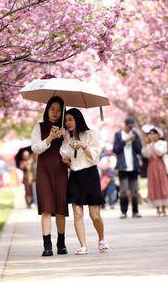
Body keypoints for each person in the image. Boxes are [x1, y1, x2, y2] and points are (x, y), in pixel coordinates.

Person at [60, 108, 109, 255]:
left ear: (78, 119)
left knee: (95, 215)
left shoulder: (90, 134)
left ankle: (101, 239)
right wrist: (65, 143)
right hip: (75, 176)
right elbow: (66, 155)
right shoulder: (67, 136)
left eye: (70, 119)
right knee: (77, 214)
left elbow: (95, 157)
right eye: (66, 120)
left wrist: (83, 145)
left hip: (90, 175)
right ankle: (83, 245)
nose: (68, 123)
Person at [30, 96, 68, 257]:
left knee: (60, 208)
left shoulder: (66, 128)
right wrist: (50, 138)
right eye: (52, 109)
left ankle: (61, 242)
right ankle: (47, 245)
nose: (55, 113)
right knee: (46, 208)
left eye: (59, 110)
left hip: (60, 172)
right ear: (47, 110)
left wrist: (65, 138)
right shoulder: (39, 127)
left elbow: (69, 152)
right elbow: (36, 149)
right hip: (44, 172)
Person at [113, 117, 143, 218]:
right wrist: (125, 141)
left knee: (134, 191)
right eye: (128, 126)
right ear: (124, 125)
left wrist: (134, 141)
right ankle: (124, 212)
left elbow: (139, 150)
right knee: (124, 191)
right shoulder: (118, 135)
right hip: (122, 167)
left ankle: (135, 212)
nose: (130, 128)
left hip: (134, 167)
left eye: (131, 127)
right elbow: (116, 150)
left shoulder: (135, 135)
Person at [142, 128, 168, 216]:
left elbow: (160, 152)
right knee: (154, 186)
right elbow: (145, 155)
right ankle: (157, 208)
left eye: (154, 134)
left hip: (161, 167)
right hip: (152, 167)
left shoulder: (163, 143)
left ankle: (163, 208)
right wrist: (146, 145)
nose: (152, 136)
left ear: (158, 135)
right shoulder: (148, 145)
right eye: (150, 134)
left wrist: (153, 144)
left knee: (163, 185)